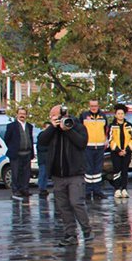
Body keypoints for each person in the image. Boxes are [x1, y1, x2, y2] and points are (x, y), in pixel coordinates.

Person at [39, 105, 93, 246]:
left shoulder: (77, 126)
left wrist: (68, 130)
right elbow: (42, 141)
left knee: (76, 202)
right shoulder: (52, 130)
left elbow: (82, 143)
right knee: (63, 206)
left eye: (55, 116)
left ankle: (87, 230)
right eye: (52, 117)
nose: (54, 118)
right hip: (58, 175)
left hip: (75, 173)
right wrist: (52, 127)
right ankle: (70, 235)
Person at [4, 107, 35, 201]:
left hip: (27, 153)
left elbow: (31, 138)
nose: (22, 115)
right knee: (16, 173)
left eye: (24, 113)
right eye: (20, 113)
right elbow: (7, 139)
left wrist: (32, 152)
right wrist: (13, 147)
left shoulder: (29, 126)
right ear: (17, 114)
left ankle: (24, 189)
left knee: (26, 173)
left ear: (26, 115)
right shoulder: (11, 126)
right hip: (16, 154)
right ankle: (16, 190)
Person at [80, 99, 108, 200]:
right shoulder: (84, 116)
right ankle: (87, 191)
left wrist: (106, 140)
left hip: (100, 146)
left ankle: (97, 191)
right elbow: (80, 129)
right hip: (88, 146)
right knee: (88, 169)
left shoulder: (103, 116)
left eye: (95, 105)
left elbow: (106, 130)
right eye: (92, 106)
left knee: (98, 170)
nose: (93, 107)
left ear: (98, 106)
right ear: (89, 106)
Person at [108, 104, 132, 199]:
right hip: (116, 152)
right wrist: (118, 150)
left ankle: (124, 188)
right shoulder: (112, 126)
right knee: (117, 170)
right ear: (115, 115)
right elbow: (110, 139)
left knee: (125, 170)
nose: (120, 115)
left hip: (126, 152)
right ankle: (117, 189)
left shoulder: (129, 126)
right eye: (118, 113)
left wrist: (127, 149)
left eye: (122, 113)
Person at [36, 120, 53, 197]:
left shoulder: (51, 136)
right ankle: (42, 188)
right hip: (43, 159)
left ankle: (44, 188)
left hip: (49, 159)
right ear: (44, 128)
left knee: (46, 175)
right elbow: (41, 148)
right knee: (43, 174)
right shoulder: (41, 136)